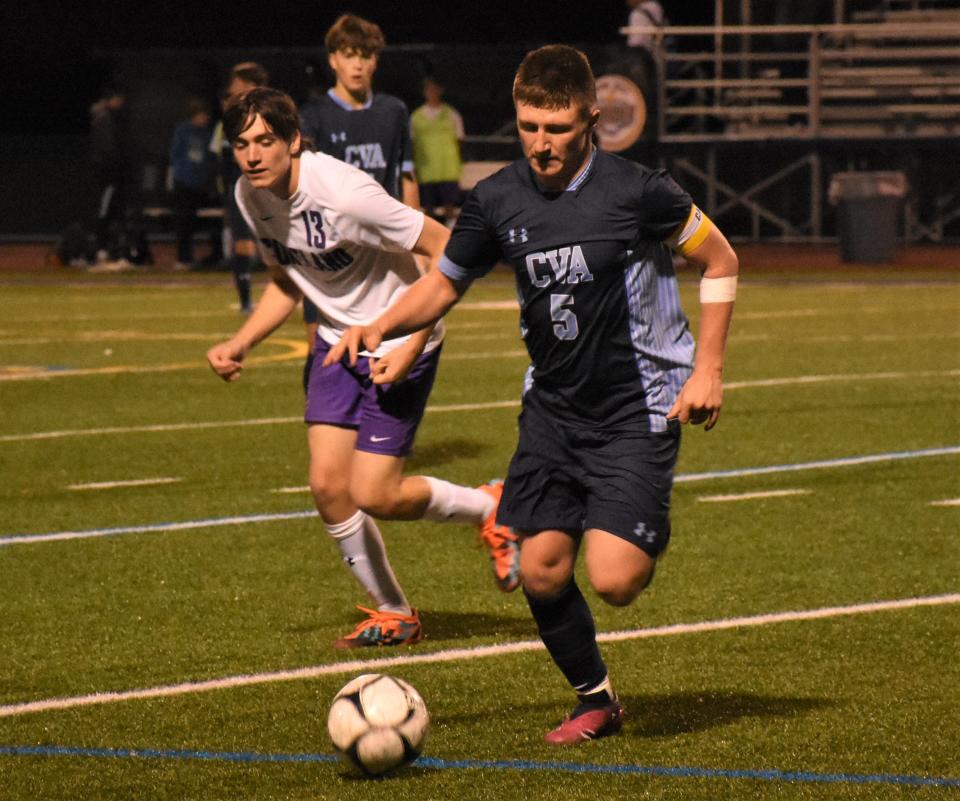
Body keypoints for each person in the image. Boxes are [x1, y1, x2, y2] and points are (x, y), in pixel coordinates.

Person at [326, 45, 738, 741]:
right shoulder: (497, 199)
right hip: (552, 407)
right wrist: (385, 329)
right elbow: (443, 282)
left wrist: (709, 369)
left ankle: (634, 508)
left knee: (614, 579)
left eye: (558, 128)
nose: (542, 144)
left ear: (592, 120)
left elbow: (720, 258)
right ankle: (596, 699)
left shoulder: (639, 191)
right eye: (528, 127)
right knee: (542, 569)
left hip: (638, 407)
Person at [206, 87, 520, 648]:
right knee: (329, 487)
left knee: (376, 493)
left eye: (265, 141)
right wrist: (241, 342)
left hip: (401, 339)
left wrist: (410, 341)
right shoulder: (250, 195)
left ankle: (490, 506)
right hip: (336, 342)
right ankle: (395, 612)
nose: (252, 155)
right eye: (241, 144)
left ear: (294, 140)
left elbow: (446, 249)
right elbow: (289, 279)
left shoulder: (345, 195)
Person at [298, 14, 419, 388]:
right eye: (349, 54)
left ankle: (380, 442)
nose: (358, 64)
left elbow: (406, 175)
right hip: (330, 257)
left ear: (375, 61)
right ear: (333, 59)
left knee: (386, 354)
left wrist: (416, 238)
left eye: (365, 55)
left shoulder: (393, 111)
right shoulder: (313, 115)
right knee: (323, 360)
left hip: (382, 254)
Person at [209, 61, 270, 311]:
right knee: (242, 243)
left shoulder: (271, 115)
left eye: (236, 81)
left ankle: (299, 293)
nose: (231, 87)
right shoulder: (228, 121)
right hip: (238, 190)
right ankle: (246, 301)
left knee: (283, 243)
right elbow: (219, 157)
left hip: (268, 189)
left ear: (249, 85)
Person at [88, 87, 134, 270]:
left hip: (113, 177)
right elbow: (108, 150)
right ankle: (101, 253)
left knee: (116, 215)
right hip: (108, 177)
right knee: (104, 212)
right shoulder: (104, 119)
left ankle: (116, 253)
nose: (121, 103)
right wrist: (116, 172)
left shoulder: (111, 118)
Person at [169, 98, 216, 270]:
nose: (204, 119)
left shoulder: (207, 133)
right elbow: (176, 155)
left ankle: (201, 257)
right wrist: (184, 173)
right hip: (184, 183)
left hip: (199, 184)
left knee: (195, 222)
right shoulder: (183, 131)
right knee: (183, 222)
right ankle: (182, 258)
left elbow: (210, 157)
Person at [411, 76, 465, 227]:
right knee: (428, 209)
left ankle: (451, 238)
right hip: (426, 171)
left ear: (441, 90)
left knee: (450, 207)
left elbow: (460, 138)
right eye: (428, 89)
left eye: (435, 88)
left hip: (448, 169)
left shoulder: (451, 114)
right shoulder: (415, 117)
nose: (432, 92)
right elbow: (412, 141)